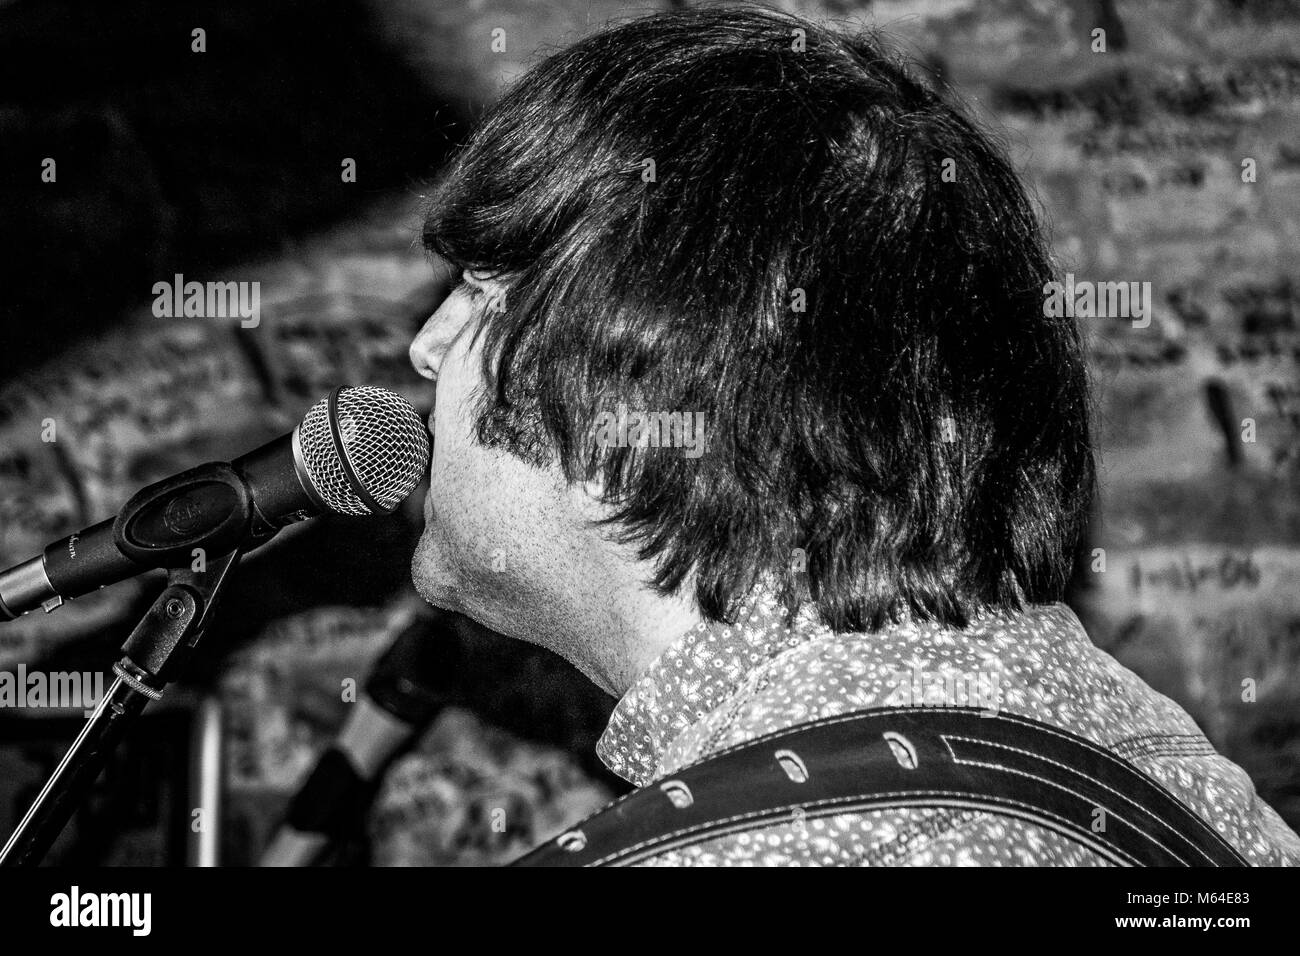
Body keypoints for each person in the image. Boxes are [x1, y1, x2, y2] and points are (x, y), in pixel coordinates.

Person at [406, 5, 1300, 865]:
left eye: (480, 295)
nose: (426, 344)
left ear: (623, 411)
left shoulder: (752, 852)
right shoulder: (1154, 762)